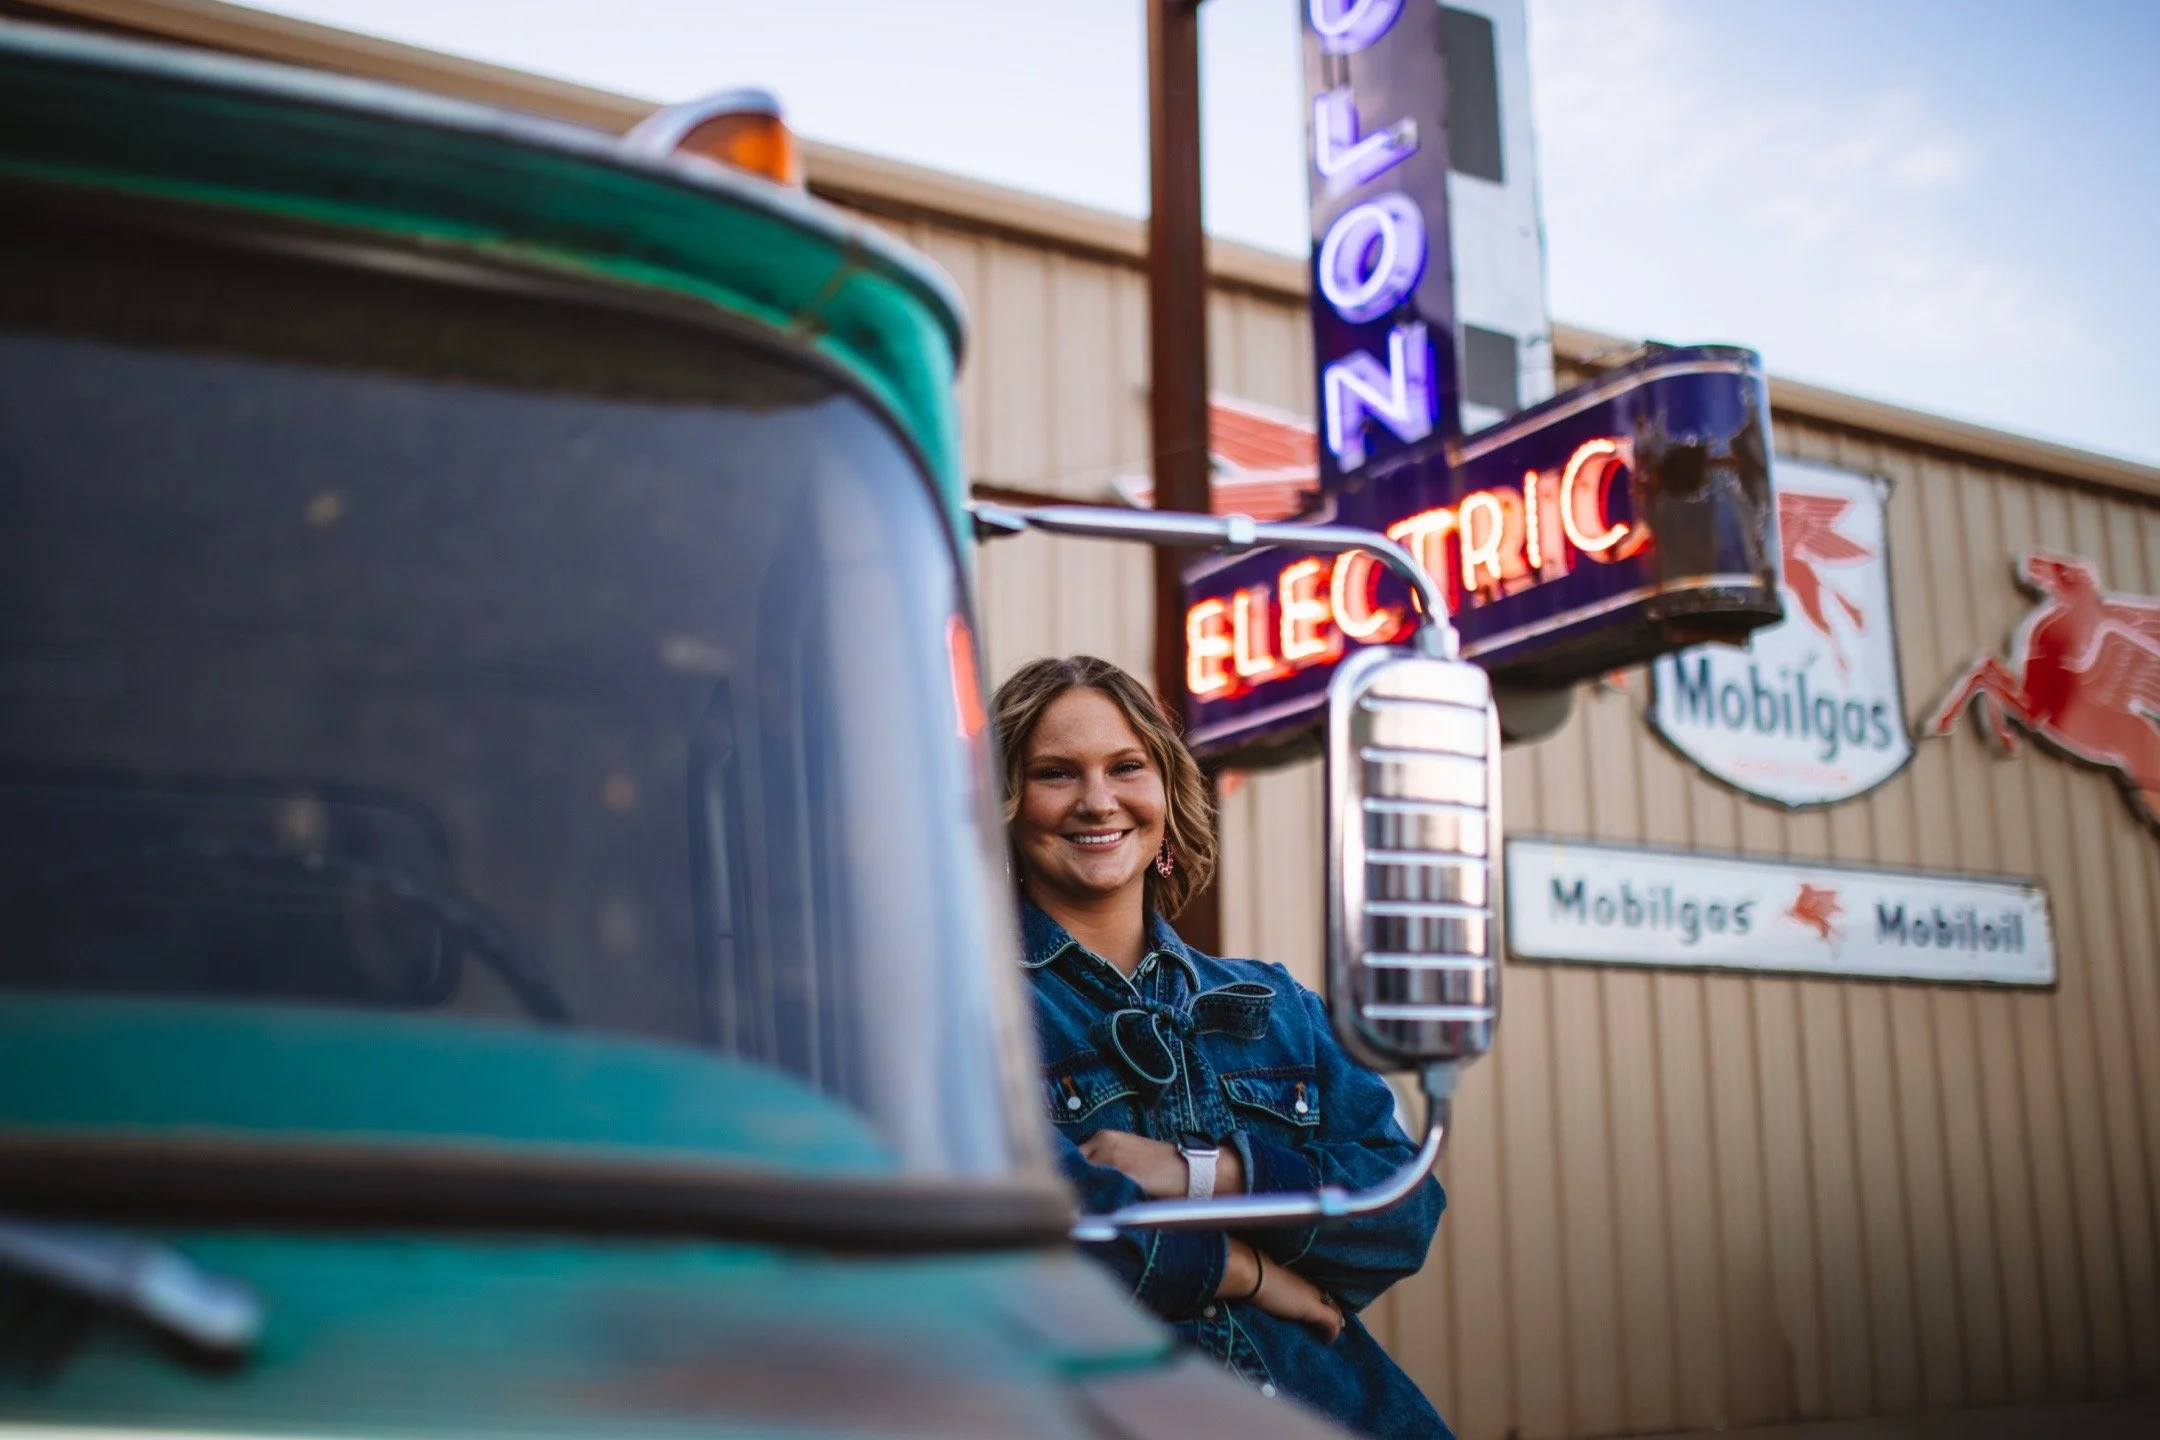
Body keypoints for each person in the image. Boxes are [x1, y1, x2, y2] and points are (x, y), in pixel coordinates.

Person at [992, 654, 1451, 1440]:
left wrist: (1203, 1173)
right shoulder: (971, 1007)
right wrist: (1247, 1271)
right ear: (1002, 802)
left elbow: (1401, 1212)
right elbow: (1030, 1240)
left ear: (1165, 791)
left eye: (1126, 766)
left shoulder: (1277, 1006)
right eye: (1056, 773)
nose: (1098, 800)